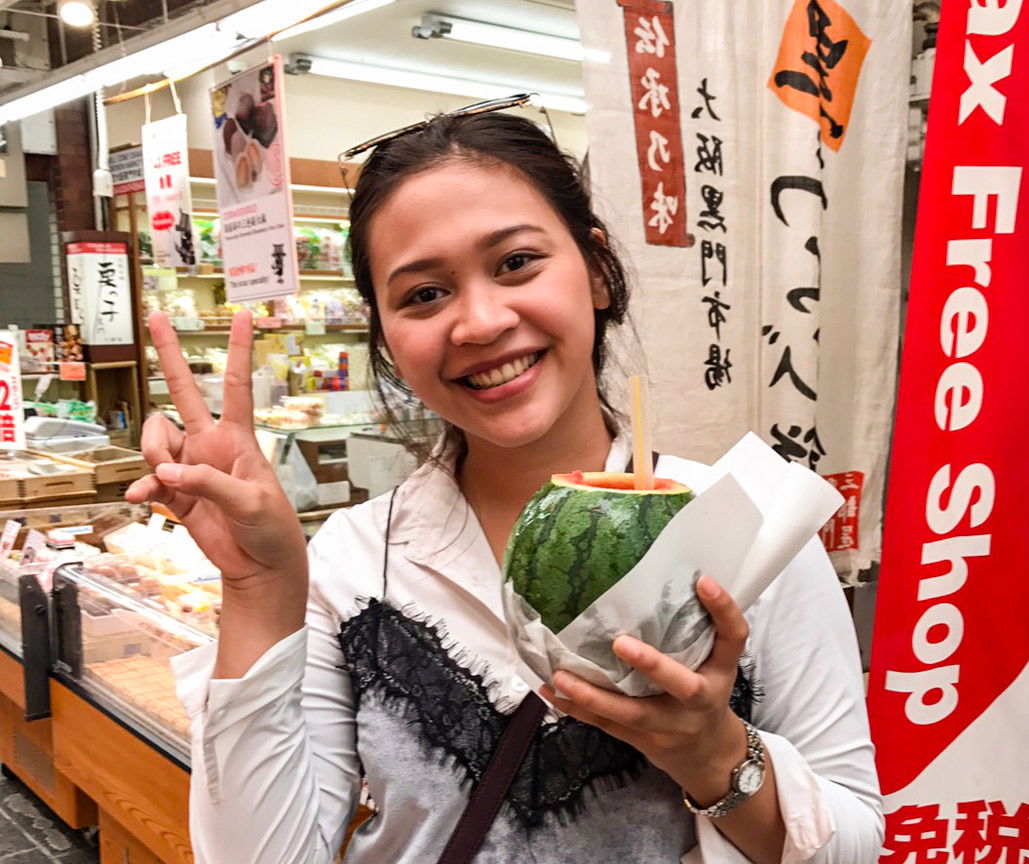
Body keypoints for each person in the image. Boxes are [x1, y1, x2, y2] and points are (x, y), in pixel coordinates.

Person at [128, 103, 882, 864]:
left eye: (517, 262)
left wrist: (714, 755)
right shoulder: (353, 563)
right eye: (424, 294)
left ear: (594, 269)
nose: (480, 322)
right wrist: (260, 592)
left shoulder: (747, 531)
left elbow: (856, 847)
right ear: (385, 334)